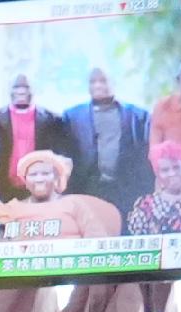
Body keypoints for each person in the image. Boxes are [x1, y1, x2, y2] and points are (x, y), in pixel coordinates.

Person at [66, 65, 154, 210]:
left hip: (127, 192)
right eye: (93, 82)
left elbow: (145, 156)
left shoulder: (137, 116)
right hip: (88, 192)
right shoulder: (72, 117)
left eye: (103, 81)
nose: (98, 85)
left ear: (113, 82)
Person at [6, 148, 122, 243]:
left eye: (45, 173)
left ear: (56, 178)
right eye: (33, 174)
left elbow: (98, 240)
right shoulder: (12, 208)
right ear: (25, 181)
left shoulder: (74, 204)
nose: (39, 179)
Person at [0, 73, 62, 190]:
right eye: (16, 87)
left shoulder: (51, 119)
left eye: (25, 87)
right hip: (6, 185)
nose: (21, 91)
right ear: (10, 91)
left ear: (33, 90)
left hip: (39, 185)